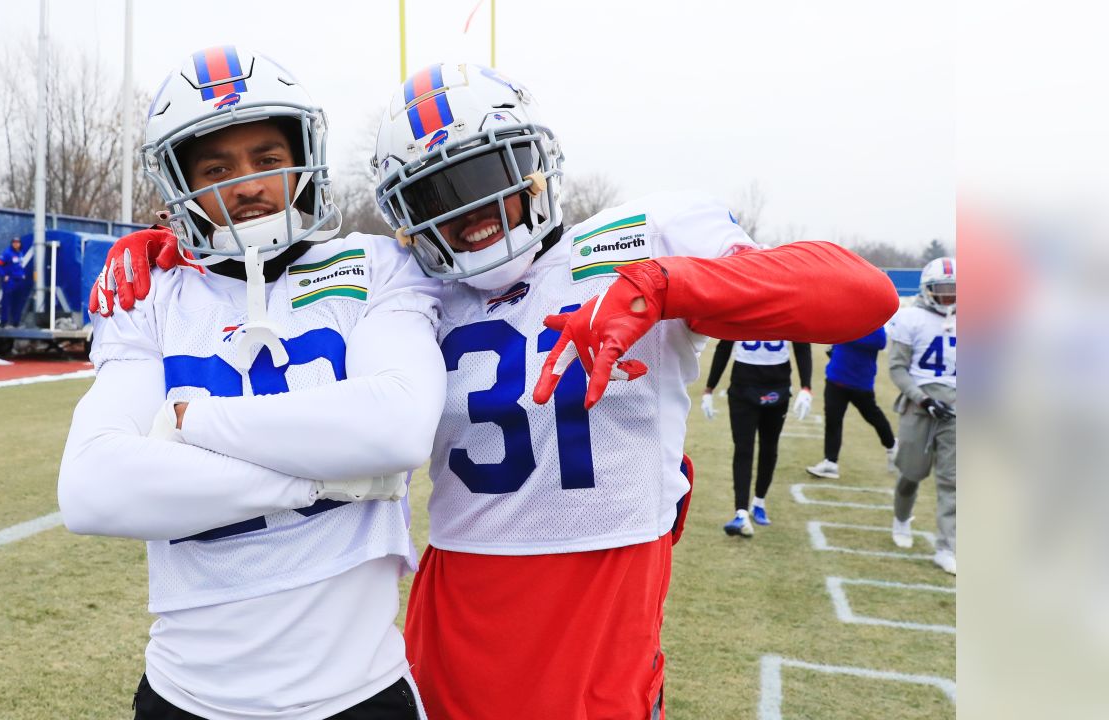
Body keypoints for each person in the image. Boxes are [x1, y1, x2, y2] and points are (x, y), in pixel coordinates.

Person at [96, 63, 898, 719]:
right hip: (456, 601)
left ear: (533, 164)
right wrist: (164, 244)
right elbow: (265, 262)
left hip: (599, 599)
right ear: (408, 216)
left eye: (485, 175)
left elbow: (859, 294)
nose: (472, 212)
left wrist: (664, 285)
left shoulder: (639, 235)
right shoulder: (415, 280)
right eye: (439, 195)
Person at [61, 46, 446, 720]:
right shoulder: (150, 294)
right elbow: (93, 488)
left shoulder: (375, 266)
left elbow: (397, 425)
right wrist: (323, 478)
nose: (247, 186)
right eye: (216, 168)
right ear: (179, 182)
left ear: (303, 156)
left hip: (358, 694)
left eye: (268, 159)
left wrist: (189, 424)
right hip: (189, 697)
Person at [888, 256, 957, 575]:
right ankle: (901, 519)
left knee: (952, 480)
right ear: (928, 290)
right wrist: (923, 399)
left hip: (957, 408)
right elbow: (898, 368)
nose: (948, 296)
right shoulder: (911, 317)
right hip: (920, 404)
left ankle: (947, 546)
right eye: (942, 289)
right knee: (911, 474)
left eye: (954, 290)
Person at [701, 339, 812, 536]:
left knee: (769, 448)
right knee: (743, 448)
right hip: (744, 384)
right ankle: (741, 512)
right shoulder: (740, 308)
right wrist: (709, 388)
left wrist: (806, 386)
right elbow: (725, 345)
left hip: (777, 385)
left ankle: (759, 501)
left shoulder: (787, 309)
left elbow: (801, 343)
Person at [805, 327, 898, 479]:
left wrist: (848, 333)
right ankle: (830, 462)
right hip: (836, 377)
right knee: (833, 421)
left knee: (873, 416)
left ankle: (892, 446)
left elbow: (880, 342)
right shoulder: (847, 315)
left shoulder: (873, 321)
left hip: (860, 382)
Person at [0, 236, 31, 327]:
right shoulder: (7, 253)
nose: (16, 244)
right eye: (14, 242)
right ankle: (4, 322)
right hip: (10, 281)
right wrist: (3, 275)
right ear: (12, 243)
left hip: (20, 281)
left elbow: (19, 266)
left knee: (18, 302)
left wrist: (23, 274)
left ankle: (16, 322)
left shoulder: (20, 253)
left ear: (20, 244)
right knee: (6, 301)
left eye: (18, 242)